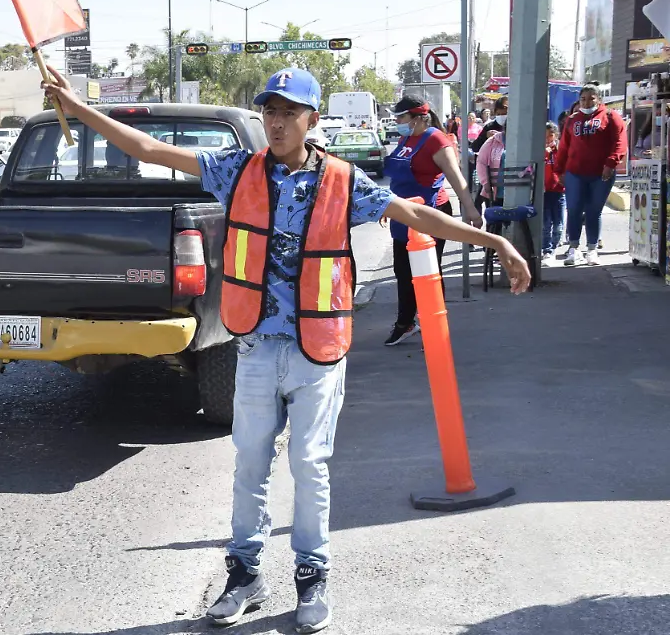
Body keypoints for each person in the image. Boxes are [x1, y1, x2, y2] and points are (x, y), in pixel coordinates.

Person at [40, 66, 529, 633]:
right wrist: (78, 108)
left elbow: (415, 213)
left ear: (311, 120)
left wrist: (493, 239)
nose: (275, 122)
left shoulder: (344, 182)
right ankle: (245, 574)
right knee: (250, 464)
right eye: (269, 112)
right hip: (255, 348)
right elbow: (148, 147)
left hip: (316, 351)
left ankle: (312, 575)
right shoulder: (236, 170)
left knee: (309, 465)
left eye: (287, 112)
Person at [383, 96, 483, 347]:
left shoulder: (436, 139)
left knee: (427, 273)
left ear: (418, 118)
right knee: (403, 272)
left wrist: (470, 209)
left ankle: (433, 324)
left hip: (430, 213)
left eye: (401, 117)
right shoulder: (406, 138)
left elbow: (456, 178)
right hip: (403, 214)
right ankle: (407, 323)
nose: (397, 122)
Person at [554, 82, 627, 266]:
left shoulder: (611, 116)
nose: (586, 103)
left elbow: (620, 142)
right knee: (574, 210)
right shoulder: (572, 120)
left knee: (594, 211)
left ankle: (592, 249)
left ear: (599, 99)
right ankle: (573, 249)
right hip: (575, 173)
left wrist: (611, 163)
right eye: (583, 99)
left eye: (591, 99)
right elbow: (563, 147)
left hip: (600, 174)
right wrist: (559, 169)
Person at [542, 122, 565, 262]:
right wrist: (545, 152)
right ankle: (547, 249)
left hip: (559, 190)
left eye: (550, 135)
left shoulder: (561, 150)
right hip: (544, 192)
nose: (548, 139)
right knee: (546, 224)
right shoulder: (540, 150)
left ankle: (555, 246)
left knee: (559, 224)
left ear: (556, 136)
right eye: (545, 136)